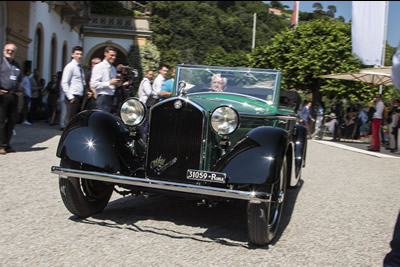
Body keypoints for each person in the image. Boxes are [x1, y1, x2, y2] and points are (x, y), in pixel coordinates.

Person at [0, 43, 22, 155]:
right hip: (2, 95)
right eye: (8, 50)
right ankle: (1, 145)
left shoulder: (17, 65)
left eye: (12, 50)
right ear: (4, 50)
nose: (10, 52)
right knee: (1, 121)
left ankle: (7, 144)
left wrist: (19, 90)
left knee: (12, 121)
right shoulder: (1, 63)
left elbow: (19, 80)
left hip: (13, 96)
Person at [91, 46, 121, 113]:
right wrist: (109, 83)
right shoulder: (98, 67)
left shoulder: (113, 68)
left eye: (115, 56)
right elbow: (93, 84)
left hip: (113, 99)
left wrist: (117, 84)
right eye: (111, 55)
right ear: (105, 53)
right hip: (103, 98)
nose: (113, 57)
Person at [61, 46, 86, 123]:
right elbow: (64, 82)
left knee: (77, 120)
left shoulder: (80, 68)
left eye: (81, 54)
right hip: (73, 96)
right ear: (72, 54)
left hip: (80, 97)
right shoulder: (70, 66)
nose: (79, 56)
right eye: (77, 54)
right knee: (71, 120)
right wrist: (70, 97)